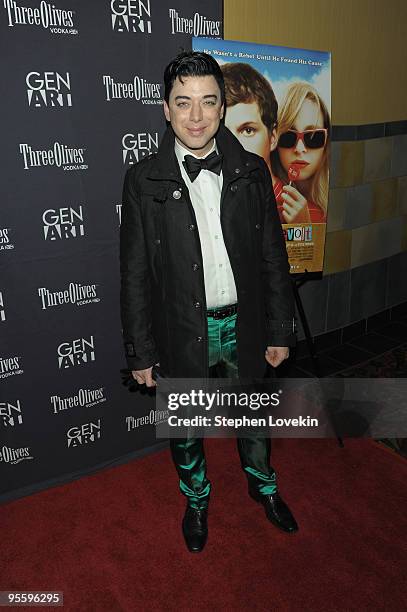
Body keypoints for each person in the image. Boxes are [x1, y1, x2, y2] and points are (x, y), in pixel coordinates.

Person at [120, 51, 298, 553]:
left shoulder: (252, 171)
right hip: (179, 327)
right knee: (187, 433)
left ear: (222, 108)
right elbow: (133, 272)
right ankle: (196, 500)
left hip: (244, 325)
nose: (195, 117)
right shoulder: (143, 181)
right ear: (165, 109)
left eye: (207, 103)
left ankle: (264, 488)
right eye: (183, 103)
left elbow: (272, 257)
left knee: (254, 423)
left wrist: (280, 330)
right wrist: (141, 351)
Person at [271, 82, 330, 224]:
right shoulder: (269, 199)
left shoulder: (332, 200)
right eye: (288, 137)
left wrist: (304, 224)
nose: (300, 148)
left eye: (313, 137)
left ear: (327, 143)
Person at [221, 62, 278, 177]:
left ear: (272, 137)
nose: (233, 149)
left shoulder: (289, 194)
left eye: (248, 131)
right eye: (221, 133)